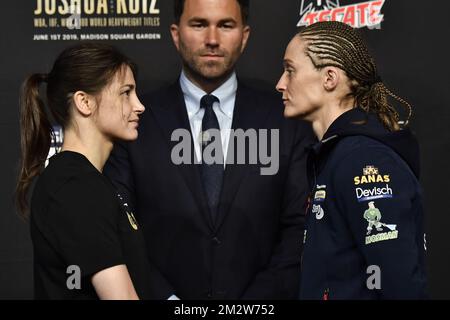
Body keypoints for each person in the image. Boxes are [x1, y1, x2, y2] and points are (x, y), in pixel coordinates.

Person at [104, 0, 314, 299]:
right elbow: (121, 228)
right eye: (199, 24)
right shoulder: (134, 119)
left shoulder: (286, 116)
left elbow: (299, 227)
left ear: (245, 35)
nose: (212, 39)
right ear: (176, 34)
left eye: (226, 25)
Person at [276, 21, 427, 299]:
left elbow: (399, 284)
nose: (280, 84)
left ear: (329, 78)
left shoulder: (364, 161)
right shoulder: (337, 154)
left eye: (290, 70)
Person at [15, 43, 150, 299]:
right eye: (126, 93)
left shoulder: (89, 182)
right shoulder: (75, 186)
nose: (139, 105)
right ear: (85, 102)